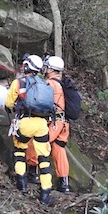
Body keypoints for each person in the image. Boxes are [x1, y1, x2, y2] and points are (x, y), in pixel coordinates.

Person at [4, 55, 54, 205]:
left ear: (26, 66)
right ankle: (46, 194)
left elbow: (8, 103)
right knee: (44, 158)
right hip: (41, 125)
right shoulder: (44, 84)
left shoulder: (18, 83)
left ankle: (22, 185)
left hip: (24, 123)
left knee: (20, 151)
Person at [44, 56, 71, 193]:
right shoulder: (64, 83)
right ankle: (64, 183)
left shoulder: (50, 84)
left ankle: (33, 174)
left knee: (39, 143)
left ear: (50, 69)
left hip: (53, 122)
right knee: (59, 149)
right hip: (64, 122)